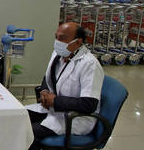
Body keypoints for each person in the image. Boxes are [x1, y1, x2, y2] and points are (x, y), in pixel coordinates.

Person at [26, 22, 104, 150]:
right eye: (56, 37)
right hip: (55, 110)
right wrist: (45, 91)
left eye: (62, 38)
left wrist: (55, 101)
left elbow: (89, 104)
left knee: (28, 132)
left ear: (78, 42)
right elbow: (48, 77)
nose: (57, 42)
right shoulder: (59, 54)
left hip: (75, 118)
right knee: (20, 116)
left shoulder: (90, 65)